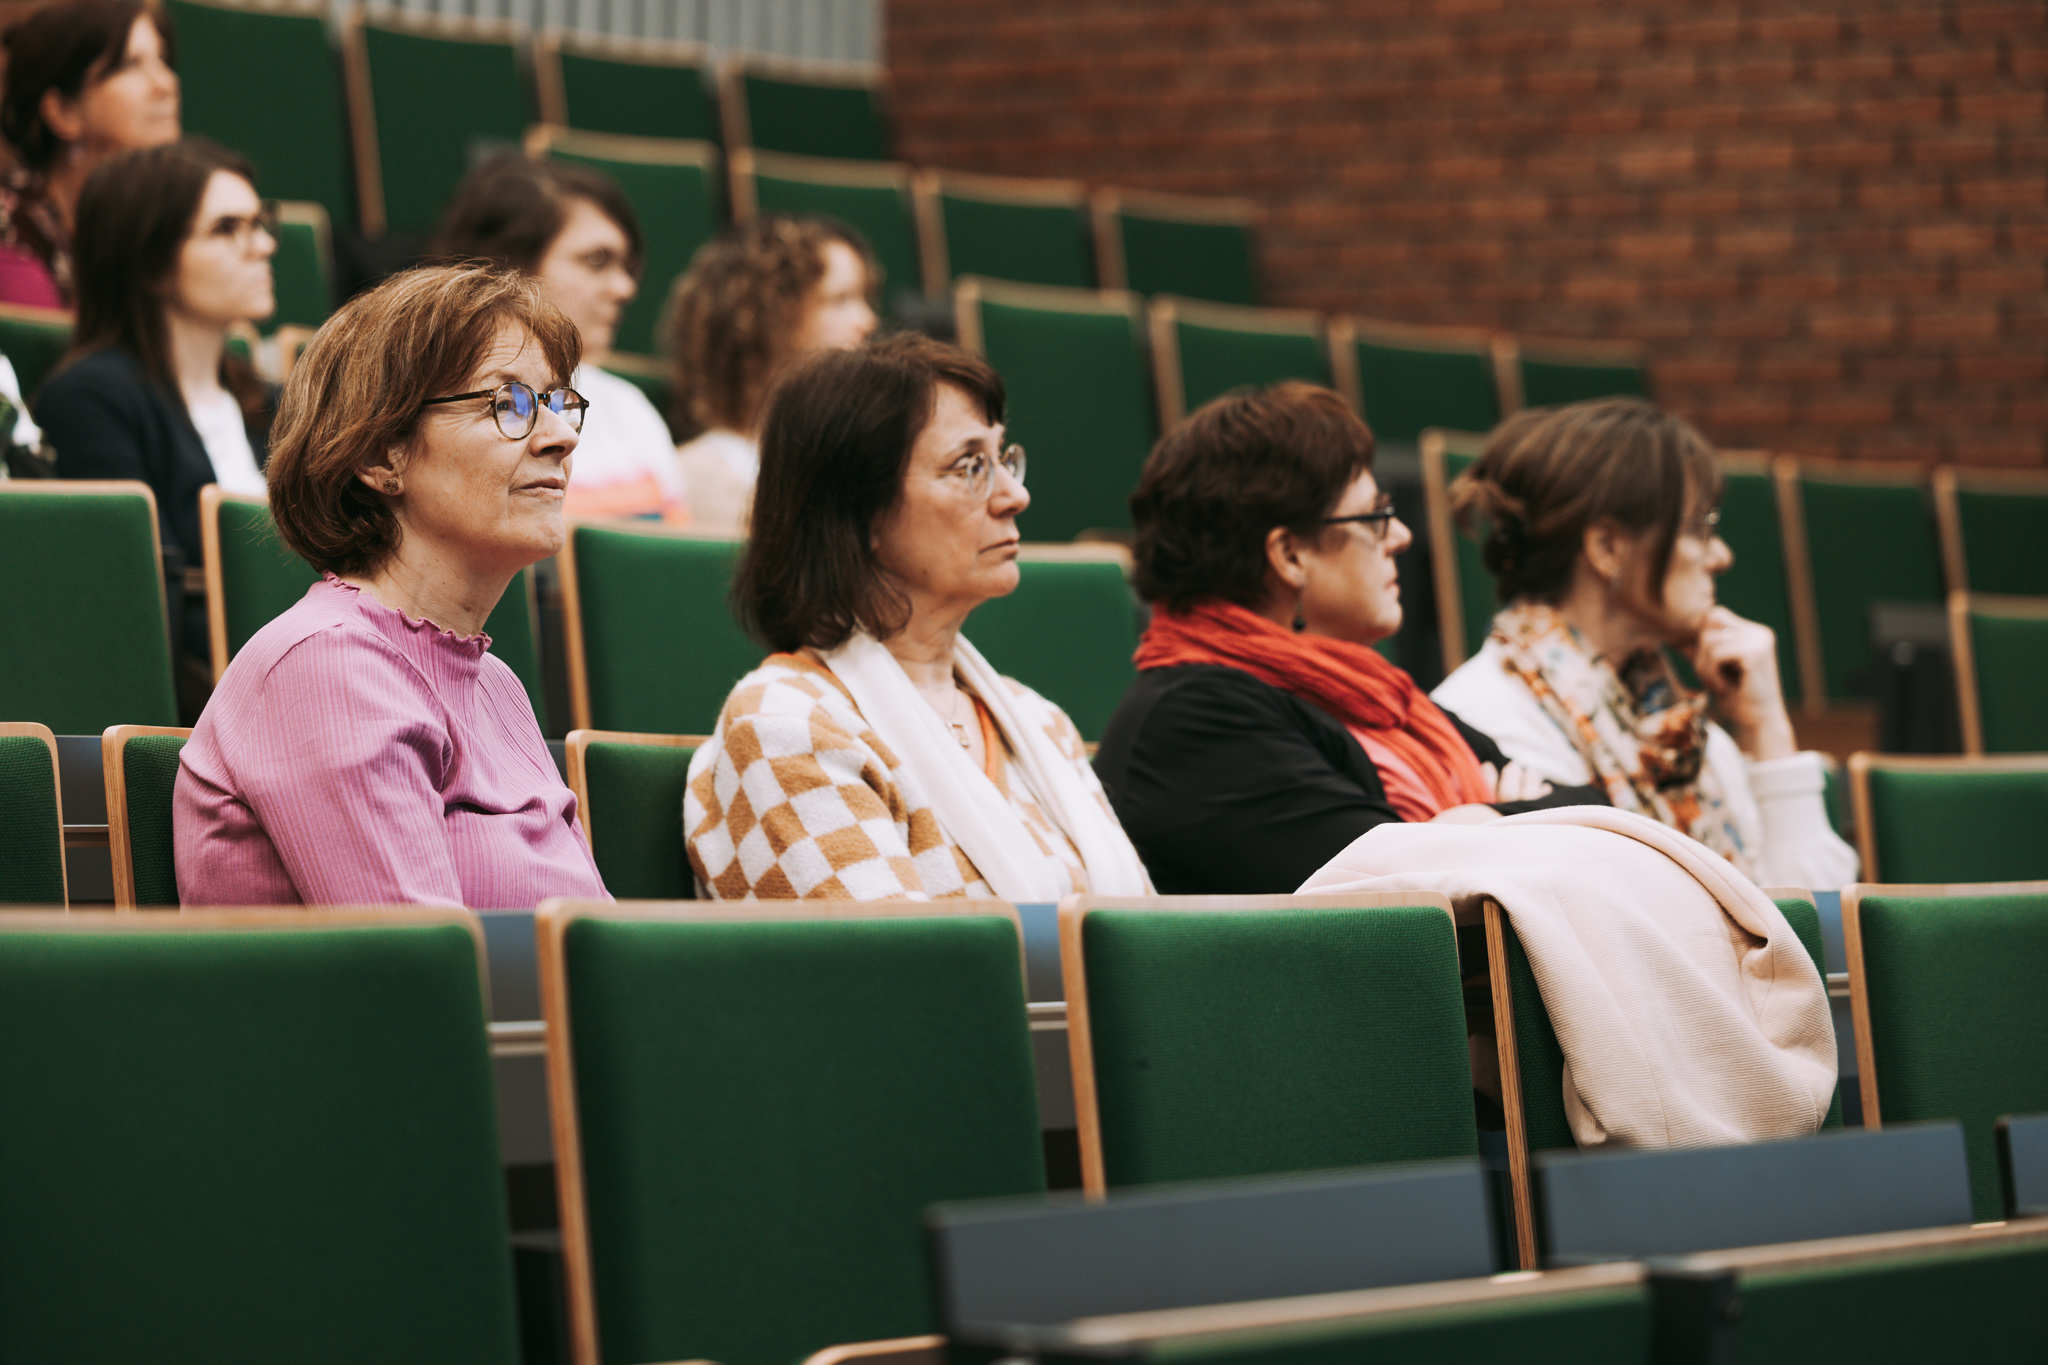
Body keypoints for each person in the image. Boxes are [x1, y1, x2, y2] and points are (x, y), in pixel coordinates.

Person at [172, 264, 609, 908]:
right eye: (508, 402)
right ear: (380, 456)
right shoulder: (324, 669)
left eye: (558, 402)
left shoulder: (495, 684)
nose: (561, 437)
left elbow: (592, 946)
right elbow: (425, 984)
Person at [686, 333, 1150, 901]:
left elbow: (1147, 947)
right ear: (859, 514)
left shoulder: (1039, 721)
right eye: (968, 466)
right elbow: (905, 980)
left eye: (1003, 458)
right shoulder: (787, 725)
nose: (1013, 496)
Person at [1094, 382, 1602, 896]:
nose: (1401, 536)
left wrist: (1474, 819)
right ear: (1290, 555)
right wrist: (1497, 818)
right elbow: (1402, 895)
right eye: (1375, 517)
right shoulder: (1194, 719)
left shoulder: (1374, 694)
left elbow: (1593, 809)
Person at [1431, 398, 1857, 891]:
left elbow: (1821, 926)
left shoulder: (1679, 732)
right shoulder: (1489, 723)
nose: (1722, 556)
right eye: (1700, 528)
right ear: (1608, 548)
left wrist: (1766, 728)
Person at [37, 137, 276, 659]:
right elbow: (144, 614)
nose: (263, 246)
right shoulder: (91, 401)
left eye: (259, 223)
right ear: (150, 261)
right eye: (227, 229)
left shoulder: (273, 401)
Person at [433, 152, 685, 523]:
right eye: (596, 260)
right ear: (511, 268)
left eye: (627, 266)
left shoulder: (630, 407)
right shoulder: (463, 405)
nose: (625, 288)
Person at [666, 215, 878, 533]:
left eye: (864, 298)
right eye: (840, 300)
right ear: (771, 321)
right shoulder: (702, 471)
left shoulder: (857, 460)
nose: (868, 320)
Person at [0, 0, 179, 308]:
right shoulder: (14, 239)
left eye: (162, 60)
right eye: (131, 65)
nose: (166, 84)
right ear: (63, 112)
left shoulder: (166, 218)